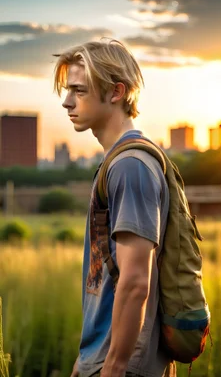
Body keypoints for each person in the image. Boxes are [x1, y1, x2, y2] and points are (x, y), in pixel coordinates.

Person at [54, 39, 176, 377]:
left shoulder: (130, 166)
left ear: (116, 92)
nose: (66, 102)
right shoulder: (118, 162)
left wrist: (113, 366)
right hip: (103, 359)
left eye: (78, 90)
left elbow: (137, 279)